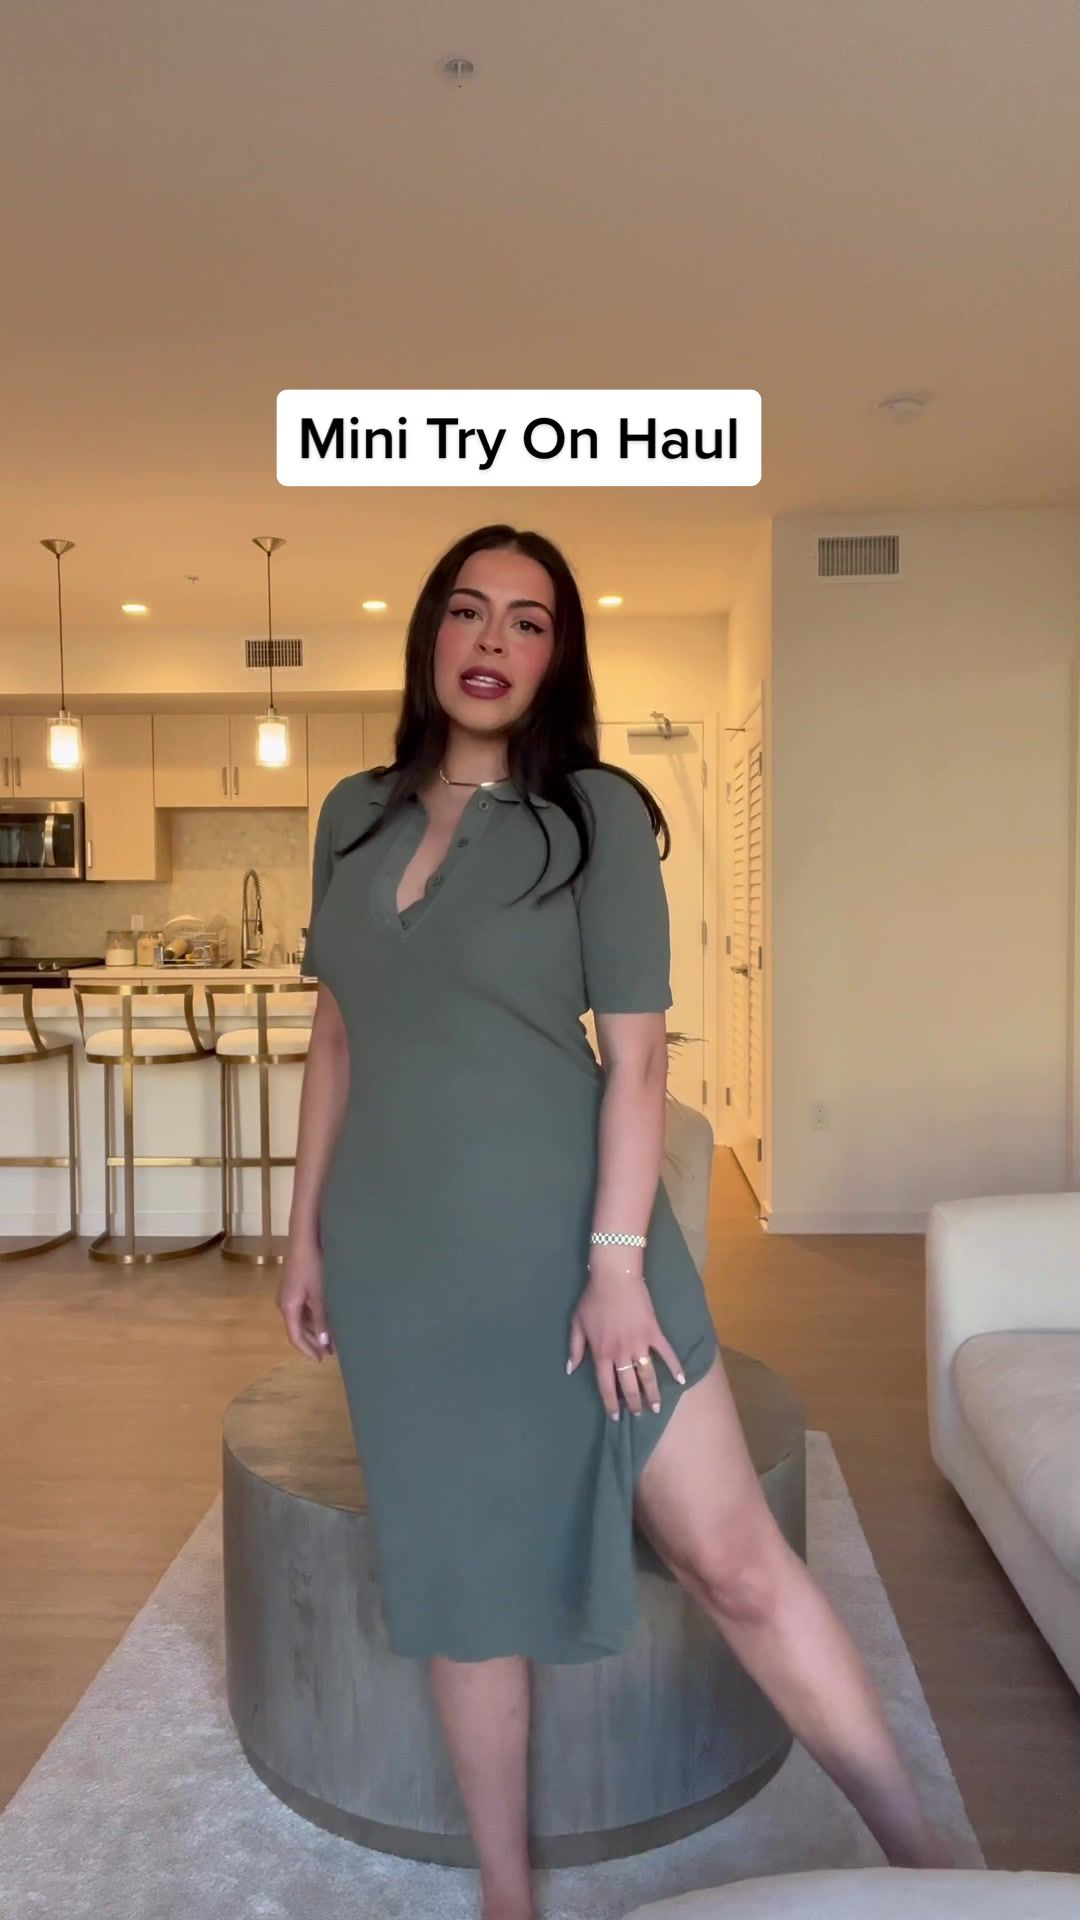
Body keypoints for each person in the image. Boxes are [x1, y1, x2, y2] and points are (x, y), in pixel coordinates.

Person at [279, 523, 950, 1920]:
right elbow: (338, 1035)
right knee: (464, 1583)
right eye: (469, 610)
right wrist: (303, 1235)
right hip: (402, 1266)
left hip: (581, 1249)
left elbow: (638, 1062)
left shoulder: (592, 816)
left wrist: (617, 1268)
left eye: (527, 621)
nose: (492, 641)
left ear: (558, 656)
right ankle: (508, 1898)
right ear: (429, 633)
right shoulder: (349, 814)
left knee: (730, 1557)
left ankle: (940, 1870)